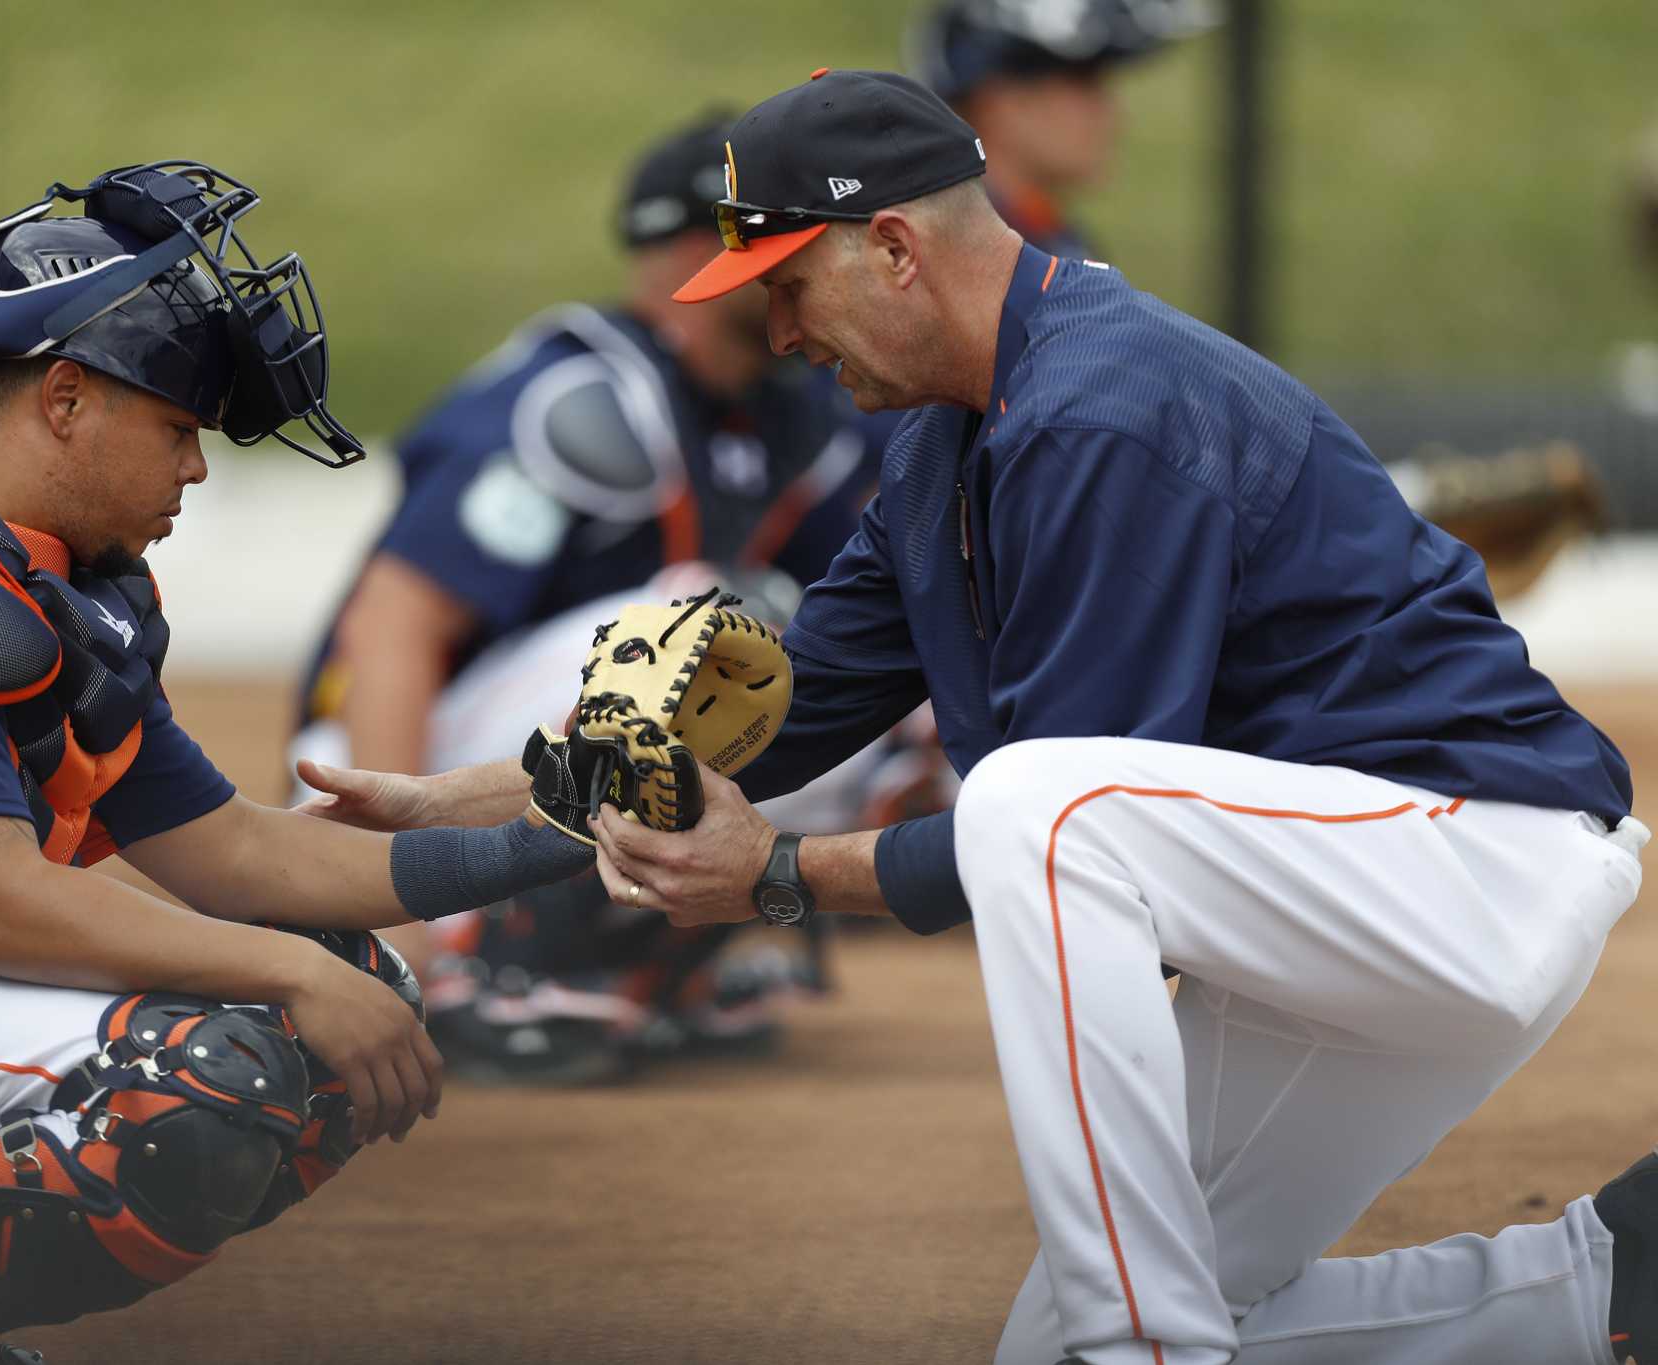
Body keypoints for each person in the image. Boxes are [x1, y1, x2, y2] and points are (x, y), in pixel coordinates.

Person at [331, 73, 1650, 1363]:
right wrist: (444, 811)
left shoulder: (1099, 413)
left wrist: (777, 878)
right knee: (1049, 1339)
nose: (780, 334)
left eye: (787, 286)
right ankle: (1597, 1282)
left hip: (1468, 860)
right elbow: (761, 726)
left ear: (894, 248)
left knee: (1034, 800)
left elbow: (1053, 827)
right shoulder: (939, 442)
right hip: (1324, 909)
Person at [0, 160, 599, 1365]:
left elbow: (244, 857)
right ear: (66, 398)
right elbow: (7, 915)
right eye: (177, 427)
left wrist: (564, 819)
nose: (194, 469)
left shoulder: (36, 585)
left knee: (349, 995)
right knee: (209, 1074)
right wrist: (291, 979)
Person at [287, 115, 898, 1084]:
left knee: (832, 667)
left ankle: (635, 953)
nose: (814, 260)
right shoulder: (576, 399)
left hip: (554, 752)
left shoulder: (791, 406)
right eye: (777, 236)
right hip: (385, 774)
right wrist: (408, 907)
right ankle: (491, 958)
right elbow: (391, 628)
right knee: (701, 620)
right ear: (703, 246)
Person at [904, 0, 1211, 260]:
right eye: (1085, 84)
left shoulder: (1046, 238)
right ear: (1001, 102)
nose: (1114, 115)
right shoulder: (956, 255)